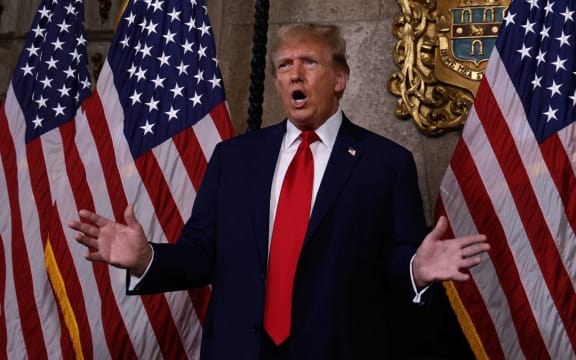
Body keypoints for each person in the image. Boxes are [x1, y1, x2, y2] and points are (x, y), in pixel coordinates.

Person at [68, 23, 489, 359]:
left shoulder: (386, 163)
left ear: (339, 78)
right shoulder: (233, 159)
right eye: (284, 65)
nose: (295, 74)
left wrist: (415, 269)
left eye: (309, 62)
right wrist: (147, 259)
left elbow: (395, 257)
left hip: (338, 348)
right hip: (240, 349)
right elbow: (201, 253)